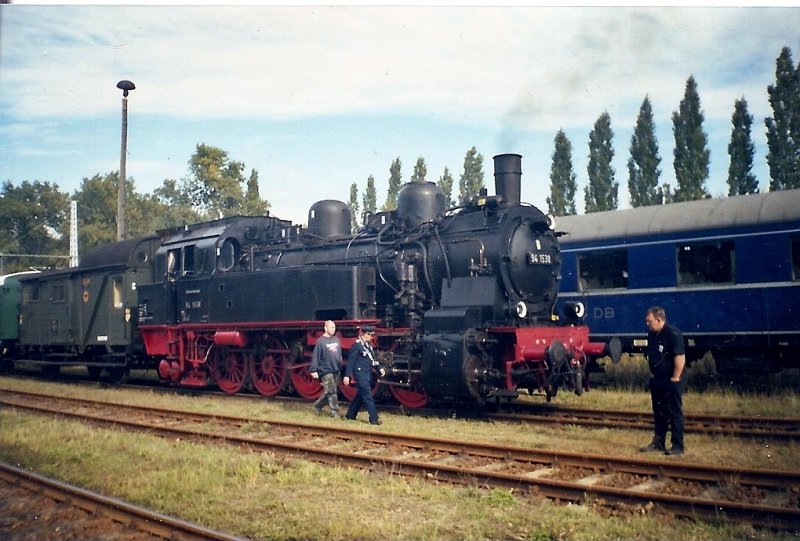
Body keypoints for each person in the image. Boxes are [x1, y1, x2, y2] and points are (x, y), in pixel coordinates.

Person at [640, 306, 686, 456]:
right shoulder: (652, 335)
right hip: (658, 379)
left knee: (674, 412)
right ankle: (658, 442)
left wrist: (676, 377)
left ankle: (677, 446)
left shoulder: (672, 333)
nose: (647, 324)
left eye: (649, 321)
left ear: (659, 320)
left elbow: (679, 357)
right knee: (659, 413)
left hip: (672, 379)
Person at [344, 325, 385, 425]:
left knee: (360, 395)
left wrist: (379, 368)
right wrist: (347, 375)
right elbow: (351, 362)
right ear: (364, 334)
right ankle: (374, 418)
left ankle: (350, 414)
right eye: (370, 335)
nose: (371, 337)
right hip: (360, 374)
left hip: (366, 374)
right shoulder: (357, 345)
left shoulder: (368, 346)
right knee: (368, 396)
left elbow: (372, 360)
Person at [309, 320, 343, 417]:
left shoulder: (336, 339)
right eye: (331, 327)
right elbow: (316, 356)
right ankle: (335, 411)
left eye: (334, 328)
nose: (333, 329)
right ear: (325, 328)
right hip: (325, 369)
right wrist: (314, 369)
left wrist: (340, 365)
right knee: (331, 391)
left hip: (336, 368)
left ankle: (318, 405)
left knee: (330, 390)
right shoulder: (320, 341)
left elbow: (339, 354)